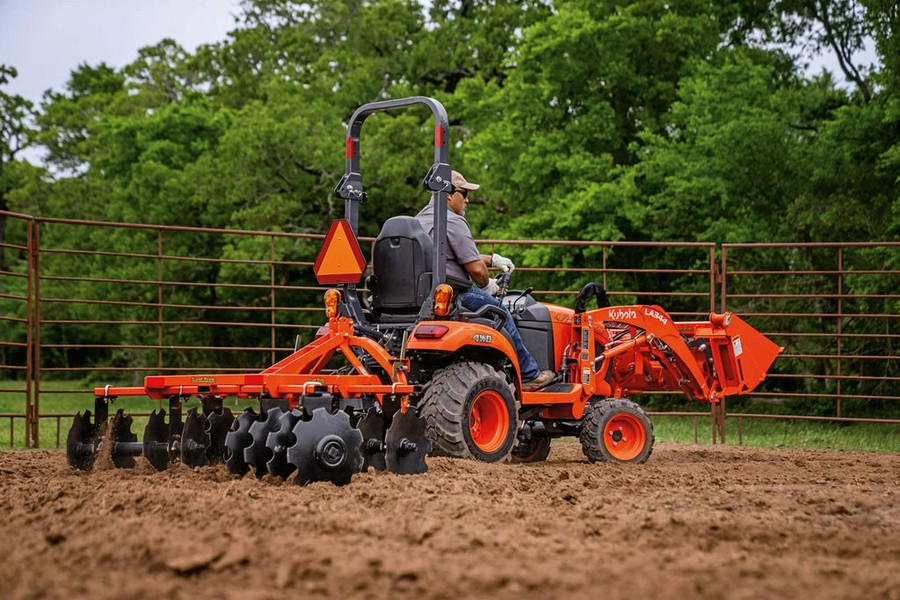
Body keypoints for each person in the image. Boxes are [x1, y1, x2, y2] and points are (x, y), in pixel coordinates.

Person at [415, 170, 555, 390]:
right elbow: (476, 270)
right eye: (464, 192)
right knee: (502, 312)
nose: (468, 199)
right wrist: (487, 284)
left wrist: (492, 259)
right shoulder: (452, 221)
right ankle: (529, 375)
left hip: (423, 296)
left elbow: (448, 256)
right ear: (449, 194)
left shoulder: (419, 220)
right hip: (455, 295)